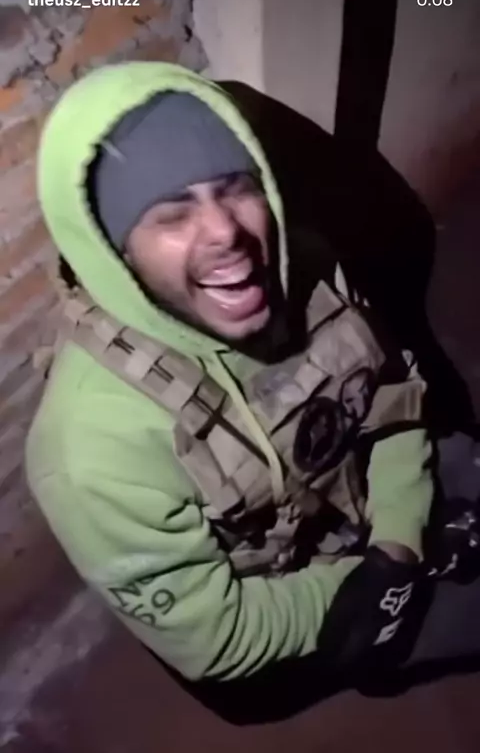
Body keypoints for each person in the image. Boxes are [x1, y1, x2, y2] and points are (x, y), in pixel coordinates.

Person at [26, 61, 480, 706]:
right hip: (288, 600)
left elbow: (393, 394)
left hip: (372, 507)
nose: (226, 233)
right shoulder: (88, 447)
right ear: (113, 249)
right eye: (172, 214)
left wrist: (400, 541)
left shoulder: (308, 268)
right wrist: (379, 590)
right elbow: (218, 636)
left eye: (237, 188)